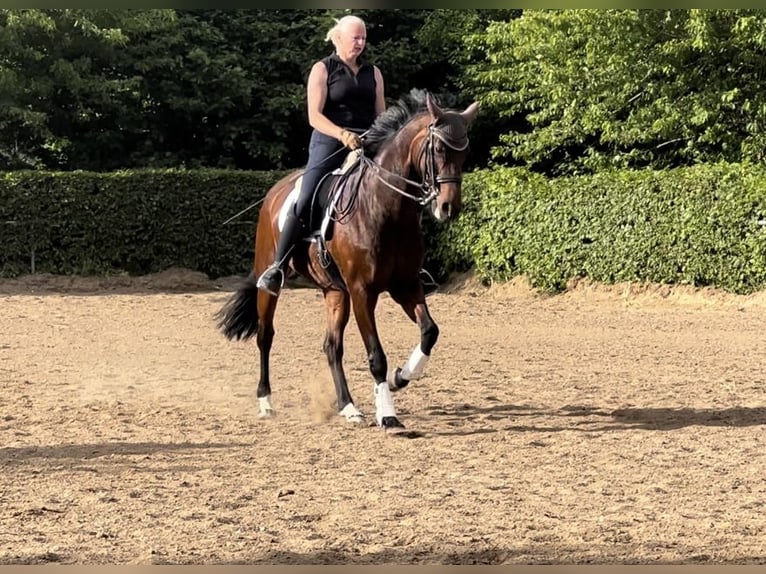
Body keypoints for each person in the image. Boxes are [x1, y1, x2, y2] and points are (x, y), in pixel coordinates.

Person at [256, 14, 386, 296]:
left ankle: (409, 267)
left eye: (364, 38)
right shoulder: (322, 69)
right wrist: (342, 134)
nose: (361, 43)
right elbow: (314, 116)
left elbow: (381, 115)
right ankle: (278, 267)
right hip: (330, 141)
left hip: (367, 142)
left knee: (396, 188)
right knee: (306, 198)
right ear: (338, 38)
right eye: (356, 38)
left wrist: (379, 137)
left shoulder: (373, 72)